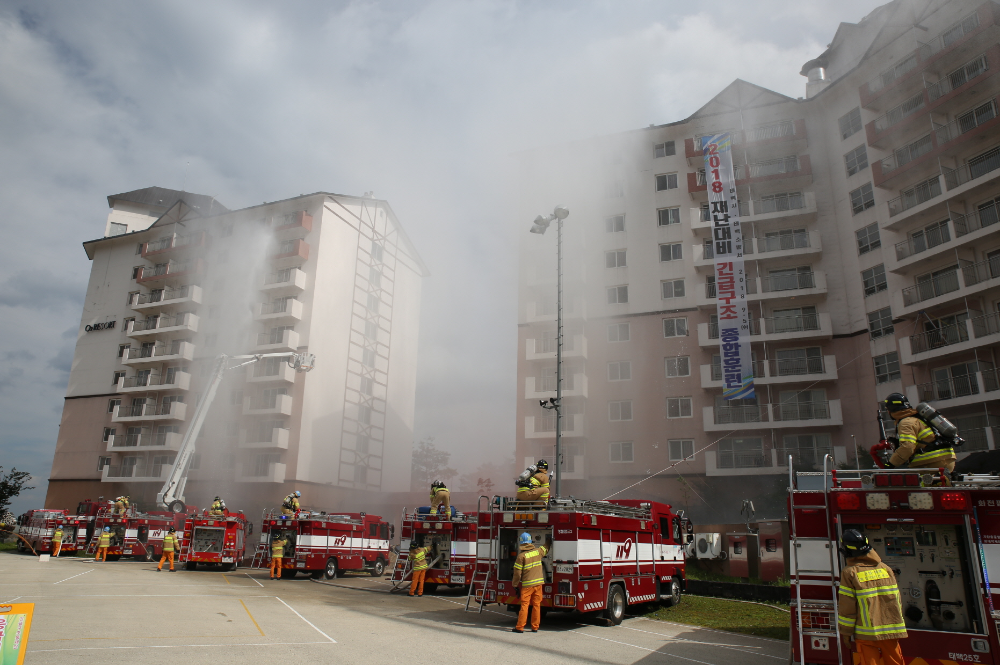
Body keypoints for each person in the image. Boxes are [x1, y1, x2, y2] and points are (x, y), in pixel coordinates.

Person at [837, 529, 907, 665]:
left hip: (866, 633)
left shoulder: (850, 573)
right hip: (891, 629)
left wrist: (846, 632)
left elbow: (847, 608)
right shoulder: (885, 568)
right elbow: (897, 600)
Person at [884, 393, 957, 474]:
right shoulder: (918, 418)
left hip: (930, 462)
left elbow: (907, 447)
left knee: (908, 484)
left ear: (891, 409)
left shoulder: (906, 422)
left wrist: (890, 464)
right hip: (945, 460)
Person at [511, 531, 549, 633]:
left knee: (524, 605)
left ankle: (520, 627)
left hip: (527, 585)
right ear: (530, 542)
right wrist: (549, 540)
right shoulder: (538, 552)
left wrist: (515, 585)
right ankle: (535, 627)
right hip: (539, 584)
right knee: (537, 605)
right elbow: (545, 548)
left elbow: (517, 573)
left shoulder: (521, 556)